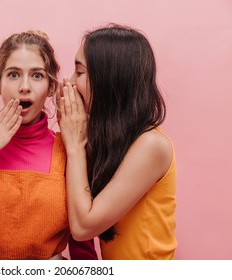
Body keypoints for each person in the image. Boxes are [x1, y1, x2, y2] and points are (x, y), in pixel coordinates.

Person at [0, 30, 97, 260]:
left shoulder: (69, 149)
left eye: (37, 76)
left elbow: (82, 239)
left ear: (52, 87)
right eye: (14, 74)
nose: (25, 86)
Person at [58, 23, 177, 259]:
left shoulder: (151, 145)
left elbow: (83, 227)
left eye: (79, 73)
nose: (69, 83)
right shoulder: (110, 141)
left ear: (109, 80)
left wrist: (74, 145)